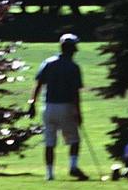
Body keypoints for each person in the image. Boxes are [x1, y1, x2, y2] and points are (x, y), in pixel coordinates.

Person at [28, 32, 87, 180]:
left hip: (48, 107)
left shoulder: (48, 62)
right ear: (72, 49)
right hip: (66, 106)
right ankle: (73, 167)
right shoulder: (73, 67)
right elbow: (75, 93)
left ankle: (49, 174)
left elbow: (39, 84)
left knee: (49, 141)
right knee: (74, 140)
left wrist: (32, 103)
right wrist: (78, 112)